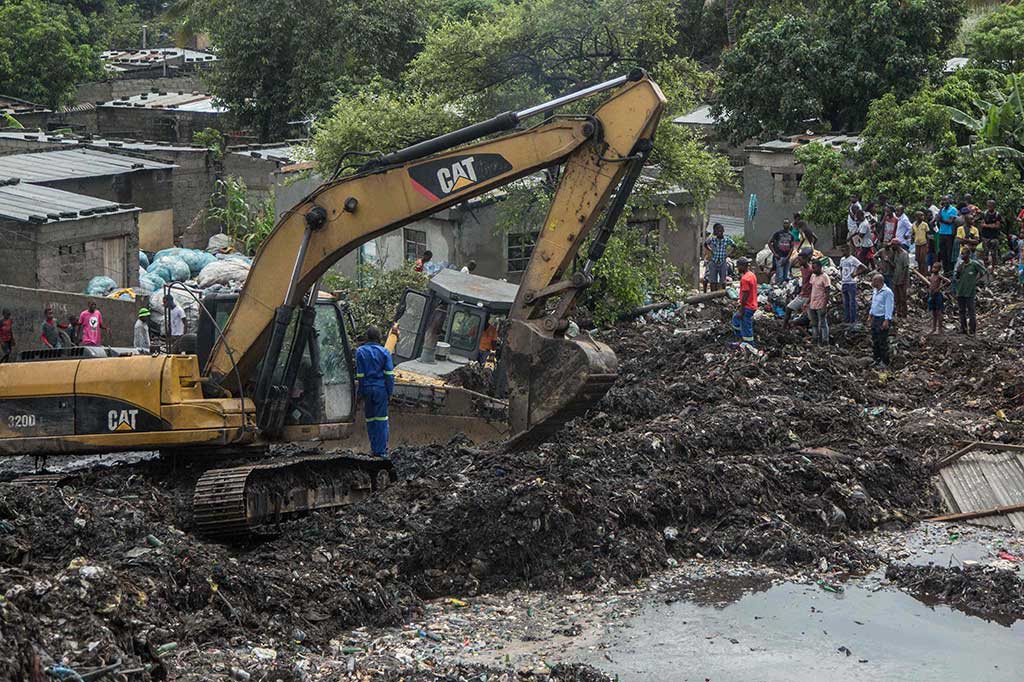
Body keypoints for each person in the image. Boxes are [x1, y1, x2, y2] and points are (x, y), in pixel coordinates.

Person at [355, 325, 395, 457]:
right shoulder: (384, 353)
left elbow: (360, 375)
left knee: (370, 420)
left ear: (367, 337)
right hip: (380, 390)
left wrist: (360, 393)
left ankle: (374, 449)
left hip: (367, 389)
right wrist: (390, 392)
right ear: (379, 338)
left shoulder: (360, 352)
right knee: (381, 420)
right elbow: (389, 375)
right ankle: (381, 451)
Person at [954, 250, 988, 335]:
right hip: (960, 291)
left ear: (969, 254)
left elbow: (983, 272)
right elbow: (957, 278)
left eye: (964, 254)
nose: (962, 255)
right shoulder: (961, 265)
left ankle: (972, 330)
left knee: (971, 311)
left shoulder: (974, 264)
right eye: (961, 254)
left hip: (970, 292)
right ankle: (963, 329)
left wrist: (975, 281)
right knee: (962, 311)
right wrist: (958, 272)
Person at [868, 274, 894, 369]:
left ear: (879, 282)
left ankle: (885, 361)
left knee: (882, 340)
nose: (872, 282)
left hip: (882, 318)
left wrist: (887, 320)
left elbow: (889, 307)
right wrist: (870, 315)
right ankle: (877, 359)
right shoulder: (875, 291)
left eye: (874, 281)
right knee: (875, 340)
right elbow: (874, 303)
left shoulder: (887, 292)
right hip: (875, 318)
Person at [732, 257, 758, 348]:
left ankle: (749, 345)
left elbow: (745, 295)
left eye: (738, 266)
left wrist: (741, 310)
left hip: (748, 307)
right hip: (753, 305)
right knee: (736, 320)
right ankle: (741, 340)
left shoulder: (745, 279)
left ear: (743, 266)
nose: (737, 268)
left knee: (746, 326)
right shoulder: (751, 275)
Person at [839, 244, 866, 324]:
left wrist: (855, 274)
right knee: (845, 303)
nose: (842, 252)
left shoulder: (853, 259)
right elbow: (841, 268)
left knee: (852, 303)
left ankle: (853, 320)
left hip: (851, 283)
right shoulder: (842, 259)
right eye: (842, 250)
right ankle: (847, 319)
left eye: (844, 250)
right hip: (844, 283)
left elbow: (864, 267)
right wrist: (842, 278)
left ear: (848, 250)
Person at [784, 253, 812, 330]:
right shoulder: (802, 268)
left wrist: (810, 299)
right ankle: (784, 328)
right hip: (801, 295)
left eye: (800, 260)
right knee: (788, 308)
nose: (798, 261)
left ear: (806, 259)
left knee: (811, 317)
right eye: (798, 260)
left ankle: (812, 334)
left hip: (809, 296)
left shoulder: (811, 270)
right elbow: (792, 267)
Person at [703, 223, 735, 292]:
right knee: (713, 281)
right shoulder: (713, 239)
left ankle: (722, 295)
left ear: (723, 231)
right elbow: (705, 244)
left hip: (722, 262)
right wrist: (711, 250)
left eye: (720, 231)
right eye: (717, 231)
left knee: (723, 280)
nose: (719, 233)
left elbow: (734, 246)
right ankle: (712, 295)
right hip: (714, 262)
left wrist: (728, 254)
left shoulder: (727, 240)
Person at [807, 258, 831, 345]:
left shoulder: (825, 277)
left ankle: (825, 341)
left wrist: (825, 306)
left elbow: (828, 292)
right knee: (814, 323)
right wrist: (808, 302)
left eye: (815, 268)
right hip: (813, 304)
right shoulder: (813, 276)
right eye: (812, 267)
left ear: (820, 267)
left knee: (823, 324)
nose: (813, 270)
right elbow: (811, 289)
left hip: (820, 304)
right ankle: (815, 339)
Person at [887, 239, 911, 319]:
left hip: (902, 280)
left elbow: (906, 268)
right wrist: (889, 261)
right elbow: (894, 265)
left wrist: (902, 279)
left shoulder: (904, 254)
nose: (892, 247)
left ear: (897, 245)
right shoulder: (896, 254)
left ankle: (904, 314)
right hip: (896, 279)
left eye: (893, 245)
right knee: (897, 298)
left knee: (903, 298)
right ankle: (899, 313)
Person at [937, 195, 959, 273]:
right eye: (943, 200)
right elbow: (938, 219)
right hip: (942, 233)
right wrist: (940, 209)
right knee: (943, 253)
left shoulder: (953, 210)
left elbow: (950, 222)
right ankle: (945, 270)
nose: (945, 202)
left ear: (949, 201)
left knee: (949, 253)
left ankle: (950, 270)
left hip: (949, 234)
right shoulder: (942, 210)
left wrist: (941, 220)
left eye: (946, 200)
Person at [980, 199, 1003, 269]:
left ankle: (994, 268)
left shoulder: (997, 215)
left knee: (994, 253)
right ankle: (985, 268)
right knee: (985, 253)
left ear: (994, 206)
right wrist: (992, 225)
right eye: (988, 205)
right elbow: (982, 224)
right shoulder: (984, 214)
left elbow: (998, 226)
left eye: (991, 205)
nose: (989, 207)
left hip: (994, 237)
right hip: (985, 236)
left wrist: (988, 225)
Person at [927, 263, 948, 335]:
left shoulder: (939, 276)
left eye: (935, 268)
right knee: (934, 312)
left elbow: (948, 281)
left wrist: (939, 288)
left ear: (939, 269)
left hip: (937, 295)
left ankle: (940, 329)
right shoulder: (932, 275)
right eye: (933, 267)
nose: (933, 269)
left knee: (939, 312)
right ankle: (933, 328)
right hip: (932, 295)